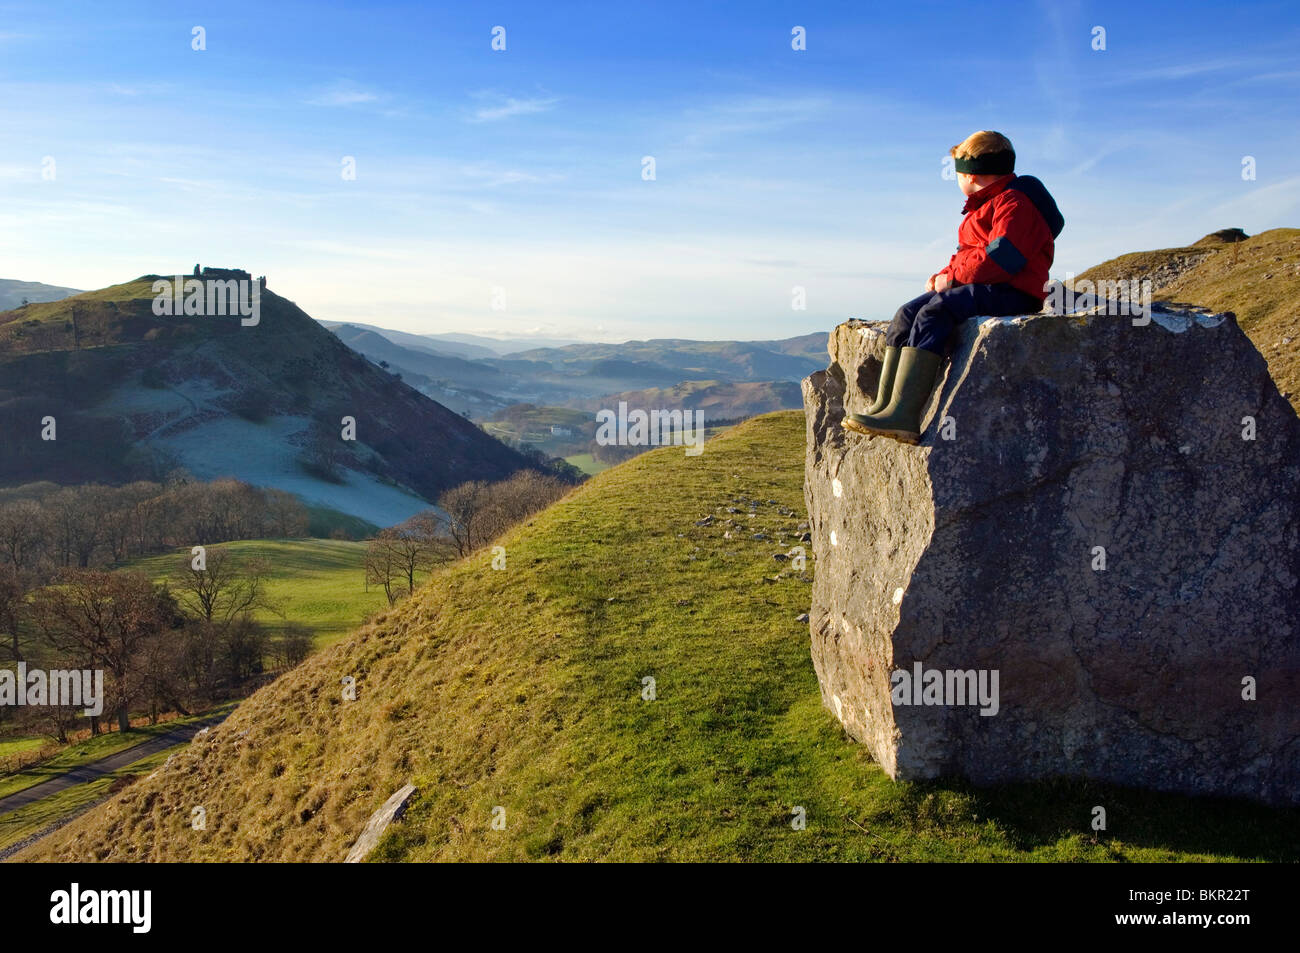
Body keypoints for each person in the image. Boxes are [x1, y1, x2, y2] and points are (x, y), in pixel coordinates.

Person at [844, 130, 1064, 444]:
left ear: (971, 175)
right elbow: (970, 254)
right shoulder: (989, 202)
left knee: (936, 311)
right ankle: (885, 406)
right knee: (907, 314)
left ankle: (904, 414)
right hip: (990, 284)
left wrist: (954, 279)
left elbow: (1004, 258)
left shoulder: (1015, 201)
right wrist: (944, 276)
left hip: (1013, 292)